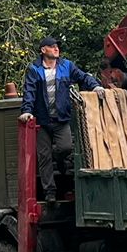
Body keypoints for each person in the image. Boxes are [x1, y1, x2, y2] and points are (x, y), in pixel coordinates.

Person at [18, 35, 103, 201]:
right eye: (52, 46)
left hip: (61, 119)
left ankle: (60, 159)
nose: (57, 48)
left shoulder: (66, 66)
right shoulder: (34, 70)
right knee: (44, 157)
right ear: (43, 50)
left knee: (65, 148)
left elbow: (83, 77)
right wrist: (27, 111)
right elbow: (29, 92)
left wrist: (96, 86)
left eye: (57, 46)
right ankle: (50, 191)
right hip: (42, 121)